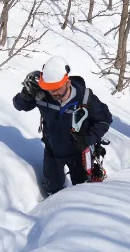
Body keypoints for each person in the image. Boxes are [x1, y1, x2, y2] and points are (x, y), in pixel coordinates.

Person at [13, 55, 113, 197]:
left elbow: (104, 119)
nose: (52, 93)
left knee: (83, 190)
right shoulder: (42, 95)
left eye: (56, 88)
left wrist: (88, 139)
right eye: (49, 88)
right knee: (52, 189)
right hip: (53, 151)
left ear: (67, 81)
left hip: (79, 153)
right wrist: (25, 95)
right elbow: (19, 105)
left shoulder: (84, 98)